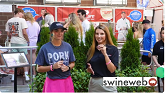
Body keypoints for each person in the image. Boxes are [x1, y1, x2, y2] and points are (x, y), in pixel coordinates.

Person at [35, 22, 75, 92]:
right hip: (52, 81)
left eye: (62, 31)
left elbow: (72, 63)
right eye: (56, 31)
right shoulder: (45, 48)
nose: (60, 33)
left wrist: (67, 67)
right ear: (51, 32)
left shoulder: (68, 46)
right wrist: (52, 67)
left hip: (67, 80)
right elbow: (38, 68)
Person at [86, 24, 119, 92]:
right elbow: (87, 68)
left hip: (109, 85)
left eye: (102, 34)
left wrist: (105, 54)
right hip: (94, 84)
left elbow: (112, 70)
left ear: (106, 35)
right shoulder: (91, 50)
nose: (99, 36)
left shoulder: (113, 49)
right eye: (97, 34)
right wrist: (89, 69)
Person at [5, 8, 30, 81]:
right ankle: (26, 75)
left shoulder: (9, 21)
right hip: (22, 42)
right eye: (22, 13)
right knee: (24, 58)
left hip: (13, 42)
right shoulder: (22, 20)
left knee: (14, 59)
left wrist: (13, 37)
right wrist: (28, 40)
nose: (23, 15)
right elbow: (24, 32)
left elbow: (8, 33)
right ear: (19, 13)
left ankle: (13, 76)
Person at [24, 12, 40, 78]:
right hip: (34, 41)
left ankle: (26, 74)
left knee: (27, 58)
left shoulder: (25, 24)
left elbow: (24, 33)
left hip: (27, 42)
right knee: (34, 57)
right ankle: (34, 73)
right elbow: (38, 32)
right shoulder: (36, 24)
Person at [152, 27, 164, 91]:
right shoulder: (157, 44)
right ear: (160, 34)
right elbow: (154, 55)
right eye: (163, 33)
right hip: (161, 67)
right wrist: (157, 64)